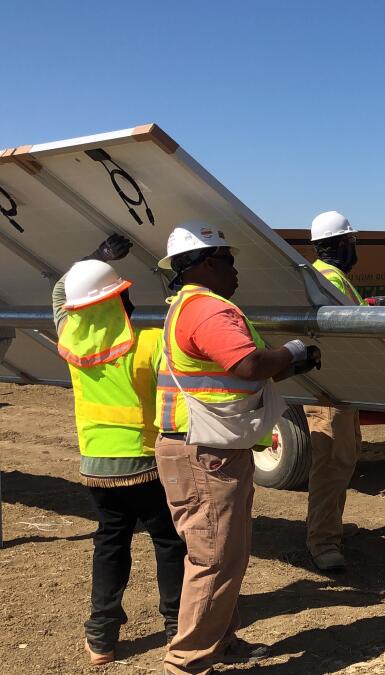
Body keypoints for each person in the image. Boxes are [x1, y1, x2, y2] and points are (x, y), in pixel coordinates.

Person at [154, 221, 321, 674]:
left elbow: (241, 369)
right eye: (228, 259)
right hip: (206, 453)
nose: (235, 269)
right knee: (214, 559)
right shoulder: (208, 310)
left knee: (226, 554)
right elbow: (247, 364)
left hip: (207, 448)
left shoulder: (186, 306)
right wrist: (291, 352)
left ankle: (221, 640)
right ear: (207, 263)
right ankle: (186, 664)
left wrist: (286, 360)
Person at [52, 235, 185, 666]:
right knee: (167, 542)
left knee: (111, 542)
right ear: (121, 298)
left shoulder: (70, 341)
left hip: (96, 467)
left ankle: (101, 638)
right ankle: (175, 626)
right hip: (146, 465)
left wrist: (95, 258)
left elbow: (62, 293)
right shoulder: (149, 343)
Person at [304, 210, 364, 573]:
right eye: (352, 242)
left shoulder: (326, 277)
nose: (355, 248)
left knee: (340, 462)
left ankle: (329, 531)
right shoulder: (330, 280)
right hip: (332, 390)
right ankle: (323, 542)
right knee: (330, 464)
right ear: (341, 244)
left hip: (339, 387)